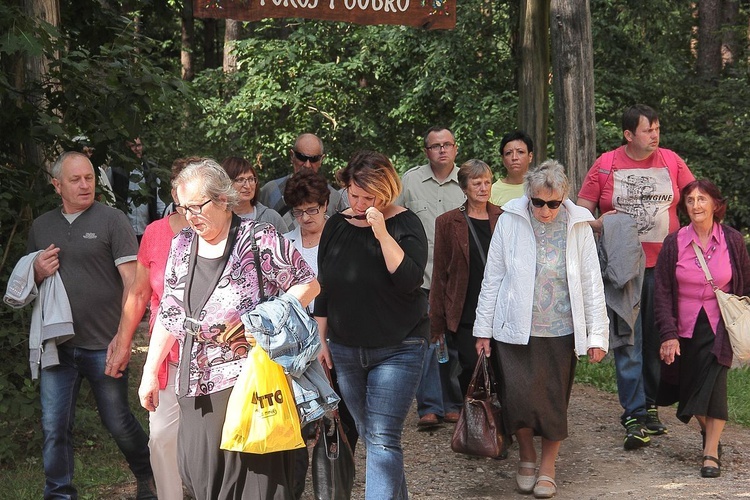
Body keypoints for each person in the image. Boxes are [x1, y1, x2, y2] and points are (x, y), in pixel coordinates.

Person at [137, 158, 319, 499]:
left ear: (222, 199)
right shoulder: (181, 244)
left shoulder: (258, 238)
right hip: (195, 381)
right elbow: (169, 313)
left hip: (251, 381)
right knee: (202, 479)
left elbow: (308, 284)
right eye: (183, 207)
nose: (190, 216)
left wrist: (265, 318)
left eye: (197, 206)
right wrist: (150, 372)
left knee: (255, 484)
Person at [474, 160, 609, 499]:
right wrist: (483, 330)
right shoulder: (509, 220)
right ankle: (527, 456)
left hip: (562, 331)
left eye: (553, 203)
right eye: (538, 202)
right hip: (515, 329)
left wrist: (597, 335)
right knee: (517, 400)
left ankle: (548, 465)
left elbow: (592, 283)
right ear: (528, 196)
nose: (545, 210)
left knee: (552, 403)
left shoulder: (578, 224)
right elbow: (492, 278)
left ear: (564, 199)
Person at [25, 151, 156, 499]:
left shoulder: (112, 220)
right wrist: (36, 272)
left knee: (117, 421)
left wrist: (123, 337)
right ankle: (59, 494)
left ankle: (149, 474)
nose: (85, 185)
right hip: (59, 345)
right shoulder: (41, 226)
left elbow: (132, 283)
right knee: (54, 426)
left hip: (105, 343)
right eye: (75, 179)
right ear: (57, 185)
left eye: (89, 178)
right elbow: (28, 281)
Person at [577, 104, 694, 449]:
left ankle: (650, 406)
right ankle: (633, 411)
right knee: (628, 340)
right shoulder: (607, 164)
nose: (655, 135)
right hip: (622, 268)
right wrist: (601, 225)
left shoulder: (672, 161)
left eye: (657, 128)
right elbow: (582, 209)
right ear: (629, 135)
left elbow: (696, 198)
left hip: (665, 266)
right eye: (648, 130)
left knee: (657, 339)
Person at [314, 150, 428, 500]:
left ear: (387, 191)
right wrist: (321, 342)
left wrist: (380, 231)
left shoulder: (406, 223)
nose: (360, 203)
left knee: (381, 438)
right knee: (374, 436)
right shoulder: (335, 225)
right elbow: (325, 287)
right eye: (354, 194)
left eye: (369, 196)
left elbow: (409, 279)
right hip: (346, 349)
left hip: (400, 347)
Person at [107, 157, 204, 499]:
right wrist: (122, 342)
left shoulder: (223, 232)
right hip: (168, 355)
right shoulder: (155, 233)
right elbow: (138, 292)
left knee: (208, 444)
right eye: (181, 186)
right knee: (162, 438)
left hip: (213, 358)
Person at [654, 179, 750, 478]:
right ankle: (711, 434)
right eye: (691, 200)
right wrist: (668, 333)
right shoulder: (675, 242)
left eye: (702, 199)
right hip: (685, 328)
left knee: (715, 387)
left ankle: (710, 453)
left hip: (721, 326)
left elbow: (745, 283)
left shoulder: (733, 240)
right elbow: (662, 291)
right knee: (690, 389)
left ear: (715, 205)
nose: (696, 205)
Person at [281, 168, 358, 499]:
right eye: (299, 211)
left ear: (326, 205)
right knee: (297, 424)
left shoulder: (345, 237)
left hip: (340, 336)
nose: (305, 217)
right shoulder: (285, 244)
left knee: (342, 419)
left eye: (312, 209)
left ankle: (335, 488)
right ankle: (294, 489)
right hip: (297, 342)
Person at [398, 125, 466, 429]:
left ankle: (454, 403)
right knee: (426, 343)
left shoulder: (466, 180)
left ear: (455, 148)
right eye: (435, 146)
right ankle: (429, 407)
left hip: (458, 279)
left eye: (447, 144)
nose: (442, 150)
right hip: (422, 278)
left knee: (454, 342)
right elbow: (394, 219)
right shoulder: (410, 181)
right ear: (427, 151)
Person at [430, 159, 502, 402]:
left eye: (487, 182)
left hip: (499, 309)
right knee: (471, 366)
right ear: (464, 188)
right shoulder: (448, 222)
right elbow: (440, 273)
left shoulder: (504, 218)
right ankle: (474, 419)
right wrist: (436, 323)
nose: (483, 188)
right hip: (464, 309)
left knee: (501, 370)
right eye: (477, 183)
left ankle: (500, 425)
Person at [258, 133, 344, 226]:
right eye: (302, 157)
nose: (307, 165)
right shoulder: (270, 191)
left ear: (321, 160)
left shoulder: (334, 198)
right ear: (292, 156)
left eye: (314, 159)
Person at [112, 137, 165, 241]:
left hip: (147, 231)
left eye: (139, 145)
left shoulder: (152, 171)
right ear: (125, 149)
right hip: (123, 232)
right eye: (132, 146)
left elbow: (159, 203)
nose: (137, 149)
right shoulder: (115, 170)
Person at [221, 156, 289, 232]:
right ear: (226, 183)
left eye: (251, 179)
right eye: (240, 180)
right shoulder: (216, 218)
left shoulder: (271, 218)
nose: (248, 186)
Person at [490, 130, 534, 207]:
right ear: (503, 159)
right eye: (508, 153)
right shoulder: (492, 191)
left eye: (520, 152)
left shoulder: (540, 186)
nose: (514, 158)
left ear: (530, 156)